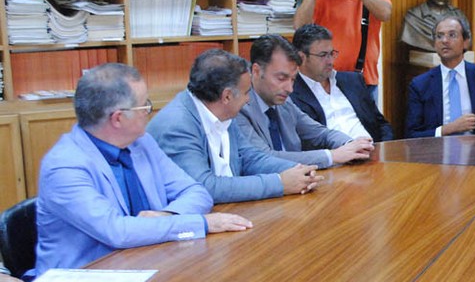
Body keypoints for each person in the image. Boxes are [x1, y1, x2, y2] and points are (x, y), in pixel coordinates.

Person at [35, 63, 252, 273]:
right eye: (144, 106)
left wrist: (167, 215)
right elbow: (117, 232)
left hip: (149, 264)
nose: (150, 111)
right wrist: (200, 223)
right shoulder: (64, 167)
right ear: (118, 118)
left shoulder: (142, 143)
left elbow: (196, 192)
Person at [148, 49, 320, 204]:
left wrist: (296, 171)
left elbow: (250, 157)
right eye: (246, 93)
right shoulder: (177, 125)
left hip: (229, 210)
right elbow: (204, 187)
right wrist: (280, 183)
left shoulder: (223, 111)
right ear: (227, 96)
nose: (248, 99)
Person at [235, 34, 374, 167]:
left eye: (293, 79)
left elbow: (321, 134)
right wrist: (331, 156)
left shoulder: (285, 103)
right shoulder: (238, 107)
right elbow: (264, 158)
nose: (289, 89)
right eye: (281, 78)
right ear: (256, 71)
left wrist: (350, 144)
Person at [290, 24, 393, 142]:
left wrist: (383, 147)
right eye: (323, 55)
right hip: (336, 151)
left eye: (331, 53)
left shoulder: (353, 81)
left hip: (372, 147)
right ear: (301, 57)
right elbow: (306, 141)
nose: (330, 61)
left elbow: (382, 125)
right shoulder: (291, 93)